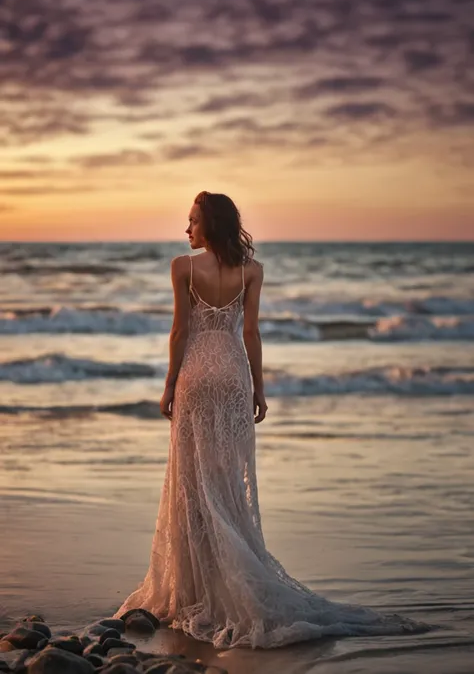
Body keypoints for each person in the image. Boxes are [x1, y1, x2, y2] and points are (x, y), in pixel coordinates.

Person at [113, 191, 430, 649]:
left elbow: (181, 330)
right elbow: (251, 332)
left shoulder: (182, 267)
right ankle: (228, 580)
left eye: (193, 221)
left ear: (210, 225)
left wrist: (167, 384)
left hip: (198, 377)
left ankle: (194, 591)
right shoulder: (251, 271)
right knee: (223, 483)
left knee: (192, 484)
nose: (186, 230)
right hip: (234, 375)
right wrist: (259, 388)